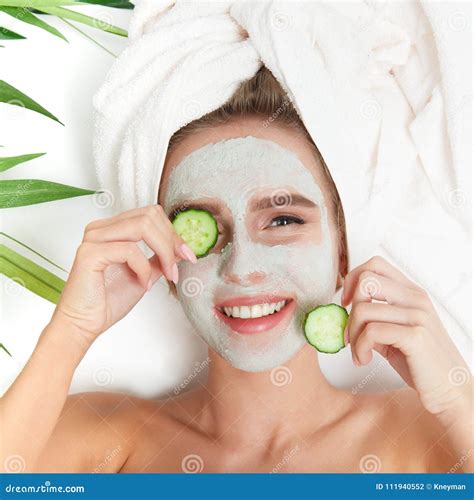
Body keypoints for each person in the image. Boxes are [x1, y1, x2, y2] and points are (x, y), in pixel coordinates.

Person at [1, 68, 471, 473]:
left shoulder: (423, 440)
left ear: (341, 254)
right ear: (167, 260)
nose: (243, 267)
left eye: (284, 219)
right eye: (204, 228)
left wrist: (457, 398)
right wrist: (71, 331)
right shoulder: (111, 444)